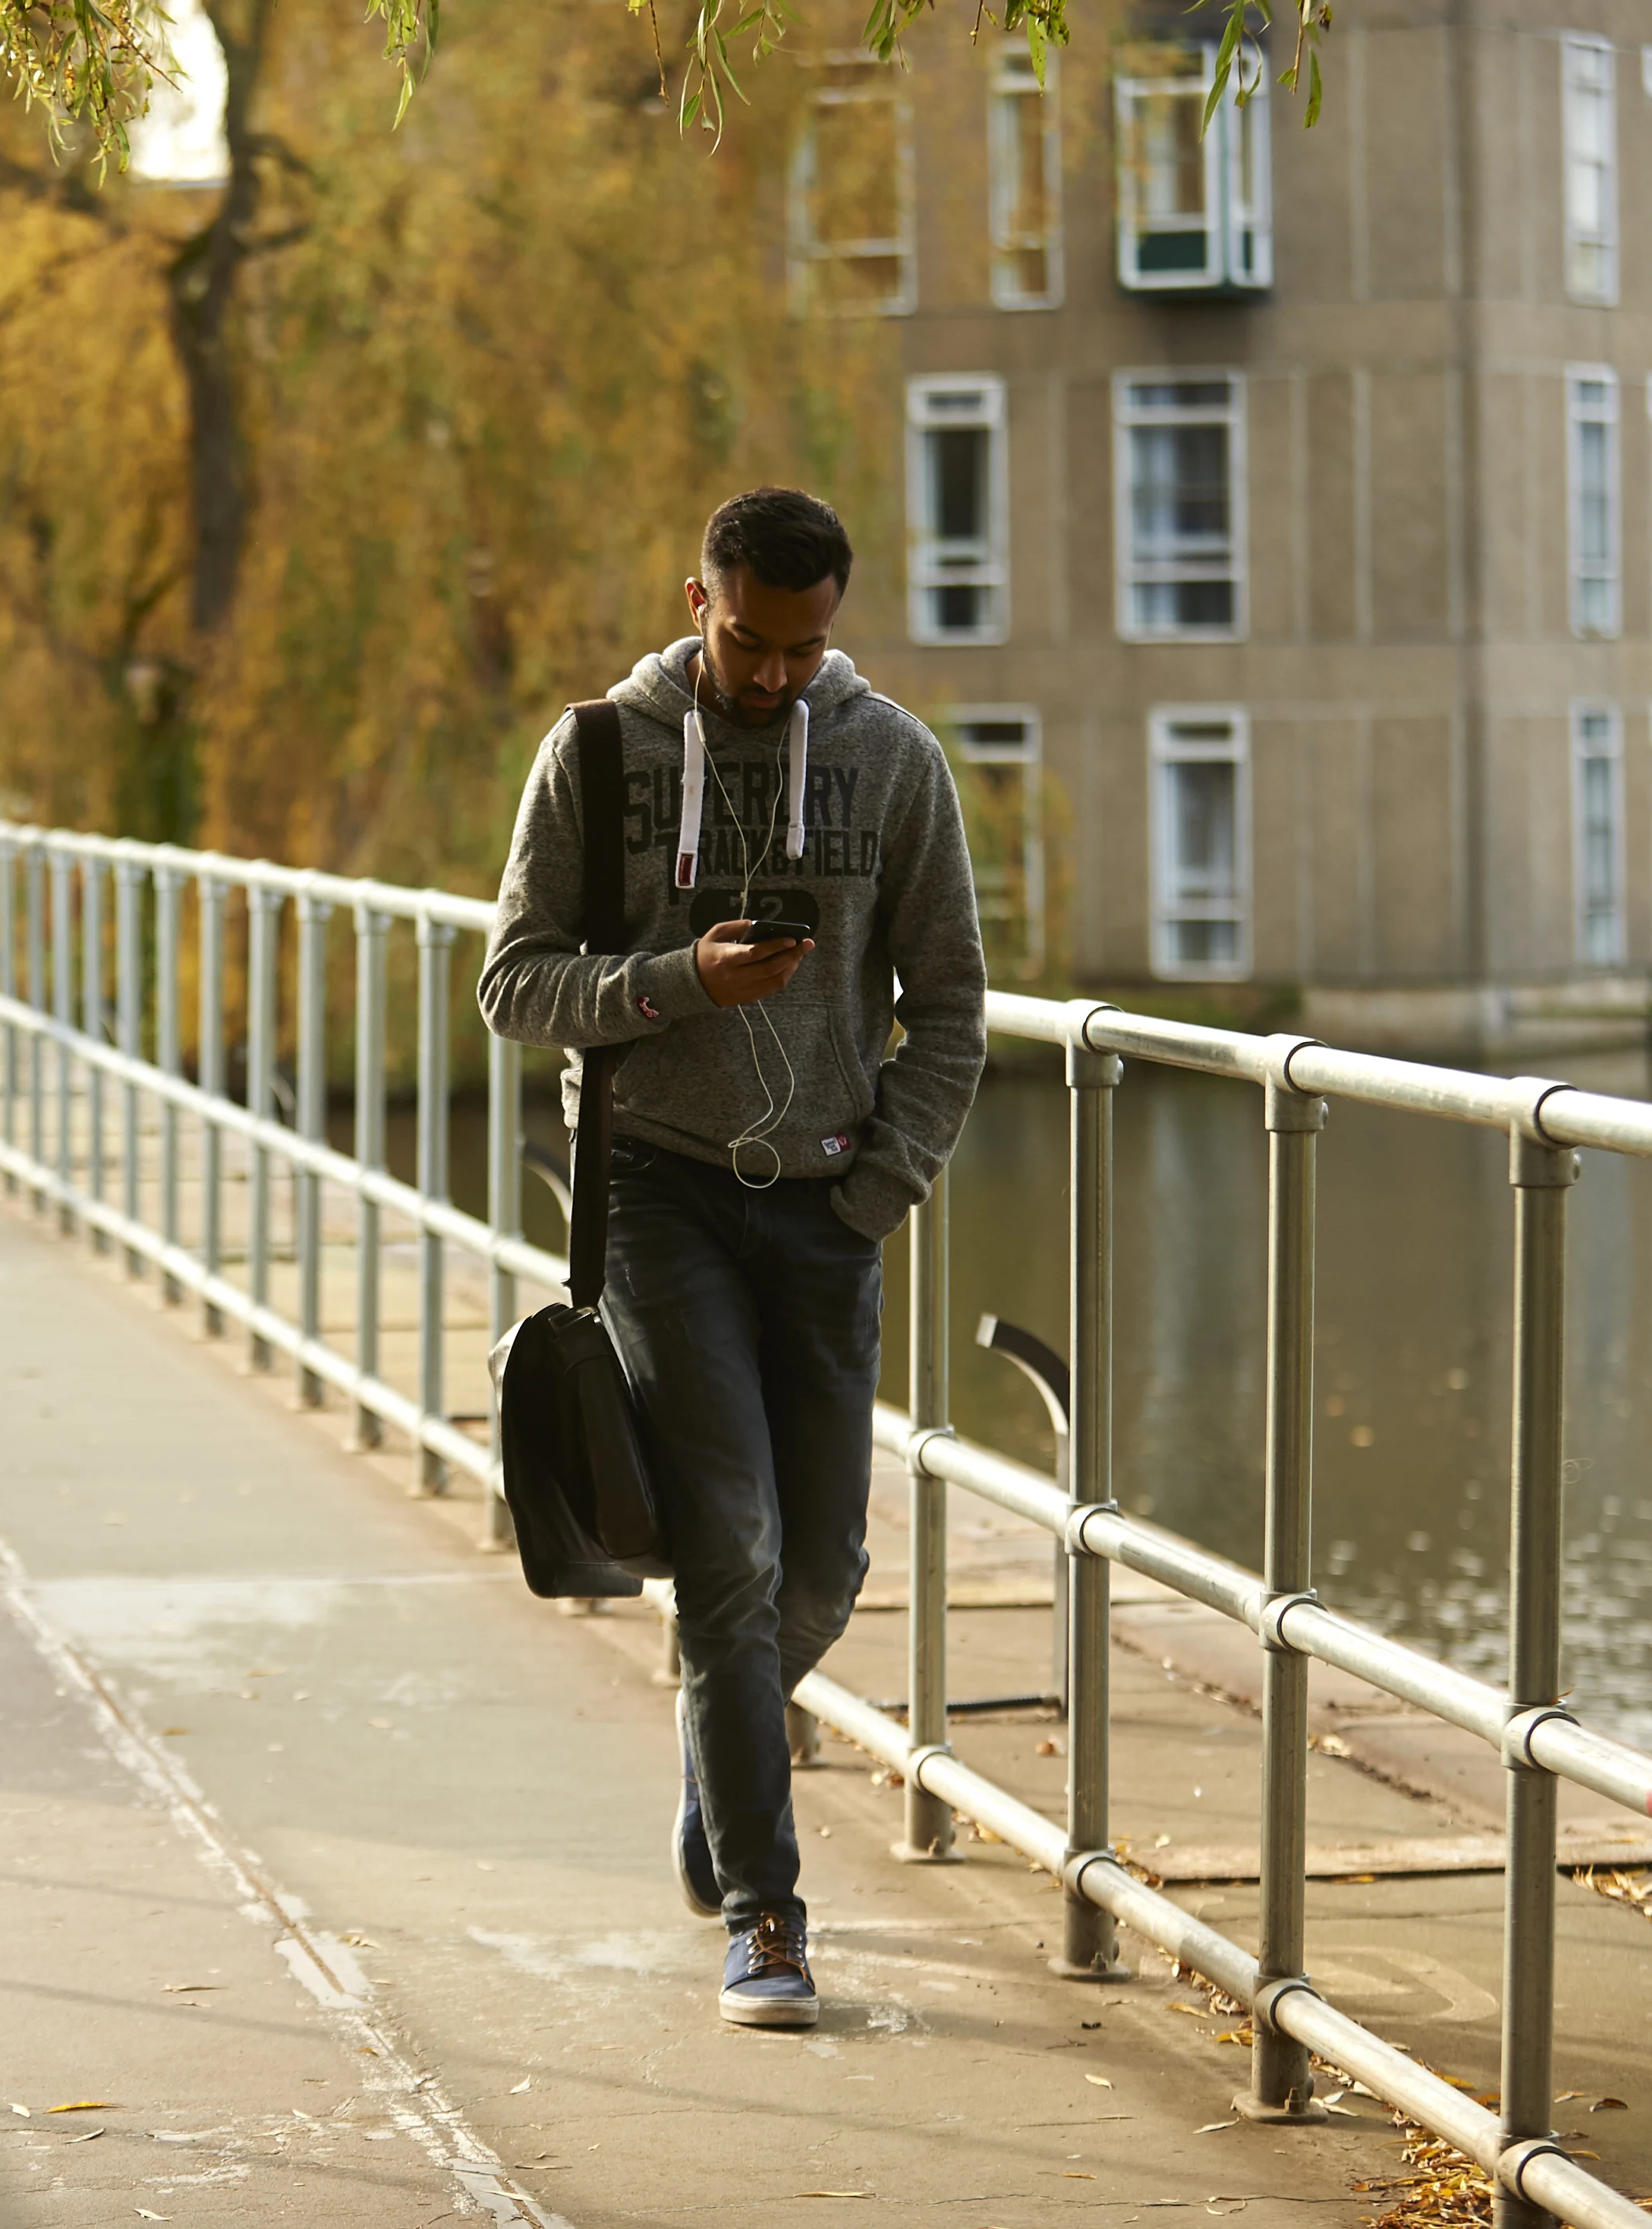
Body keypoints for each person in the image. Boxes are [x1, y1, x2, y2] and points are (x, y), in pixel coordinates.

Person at [477, 487, 985, 2032]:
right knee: (729, 1545)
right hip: (659, 1200)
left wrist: (877, 1186)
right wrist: (677, 983)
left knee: (823, 1565)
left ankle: (724, 1769)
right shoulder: (603, 751)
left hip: (825, 1206)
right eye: (749, 642)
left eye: (804, 648)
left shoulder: (892, 762)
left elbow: (952, 1008)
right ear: (695, 597)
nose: (773, 677)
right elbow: (513, 984)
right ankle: (767, 1916)